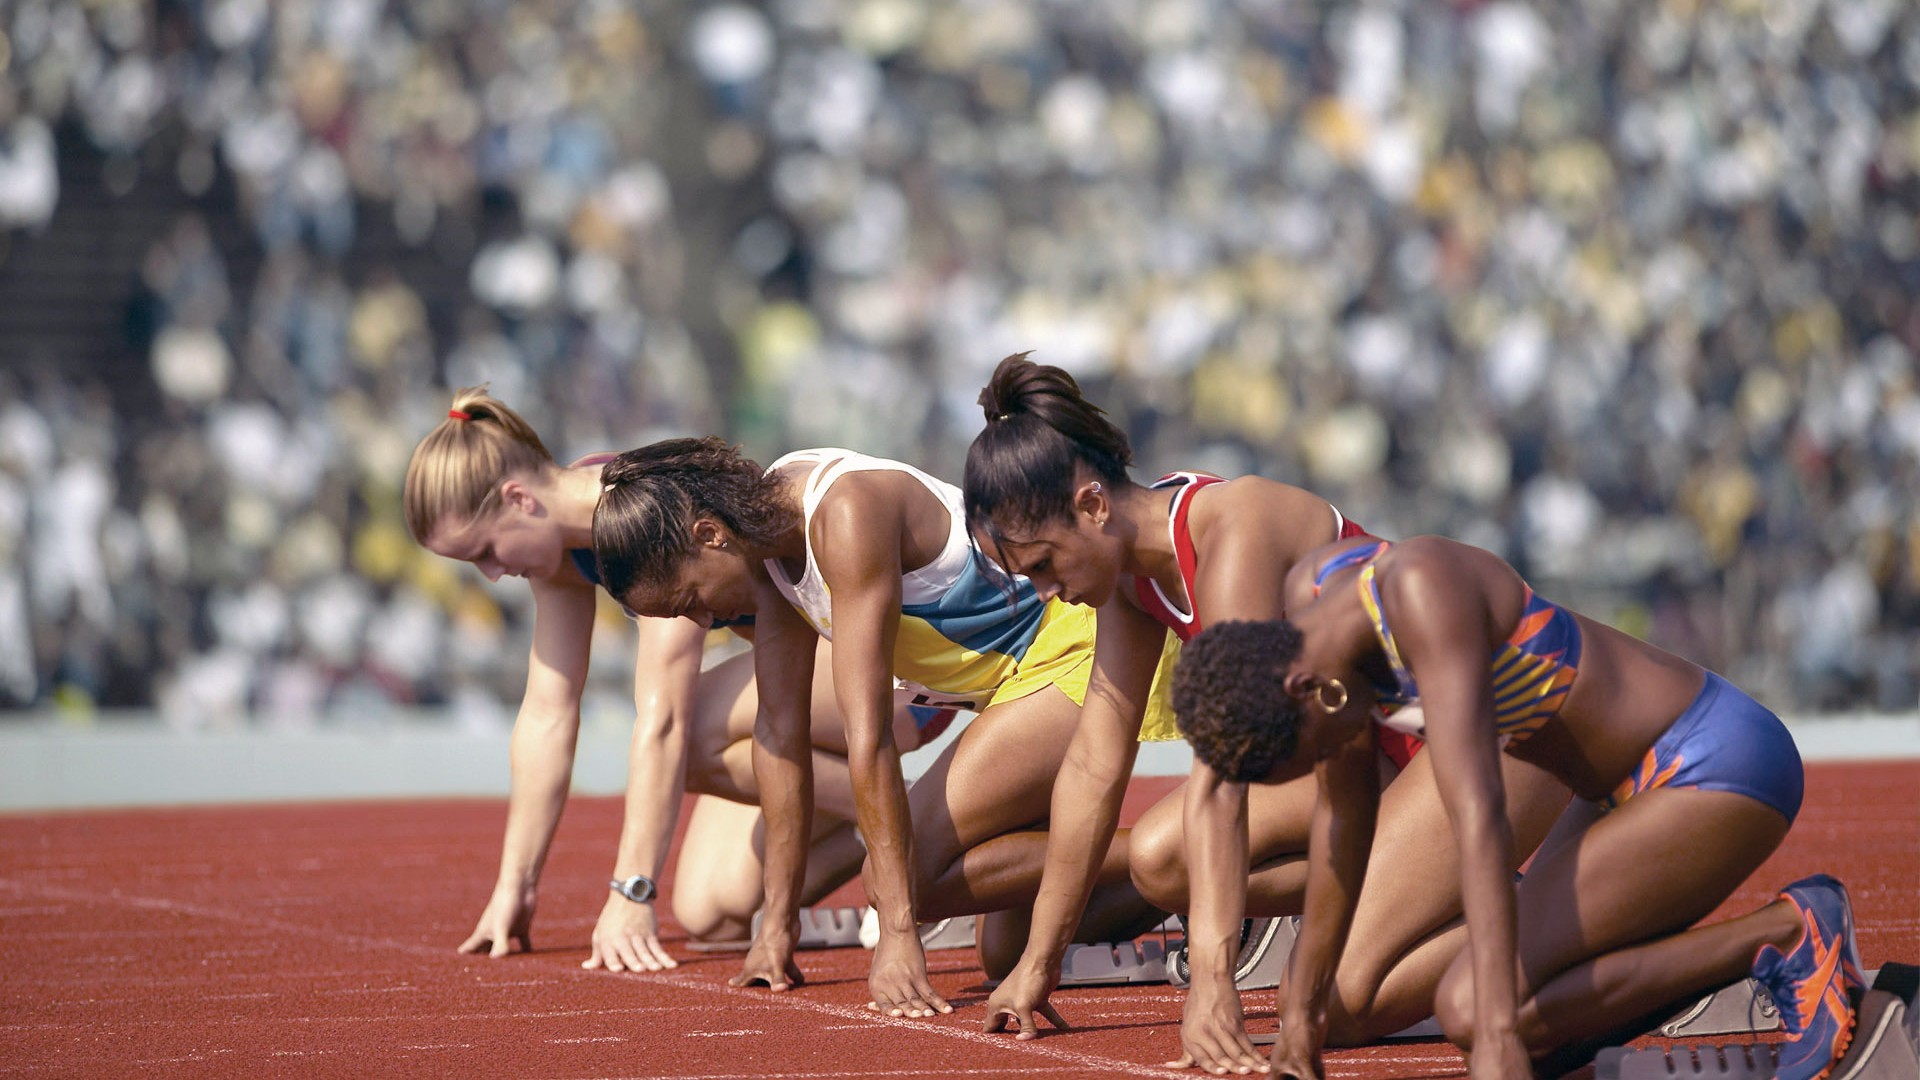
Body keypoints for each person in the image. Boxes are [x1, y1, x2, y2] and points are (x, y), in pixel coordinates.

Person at [960, 354, 1569, 1069]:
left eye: (1042, 565)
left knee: (1332, 1004)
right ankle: (1432, 894)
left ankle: (1588, 922)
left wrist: (1211, 980)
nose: (1044, 591)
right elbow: (1094, 763)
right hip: (1380, 761)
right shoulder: (1127, 578)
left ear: (1093, 506)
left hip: (1499, 733)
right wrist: (1039, 961)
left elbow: (1227, 777)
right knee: (1160, 860)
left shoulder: (1233, 531)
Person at [1172, 535, 1860, 1080]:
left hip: (1709, 764)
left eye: (1301, 755)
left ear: (1303, 689)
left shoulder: (1419, 594)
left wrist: (1497, 1039)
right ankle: (1655, 977)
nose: (1325, 763)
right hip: (1610, 796)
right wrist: (1300, 1022)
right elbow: (1342, 824)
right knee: (1529, 1021)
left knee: (1477, 1011)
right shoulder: (1312, 606)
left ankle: (1788, 932)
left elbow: (1480, 821)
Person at [590, 439, 1179, 1018]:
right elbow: (779, 734)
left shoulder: (842, 514)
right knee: (1002, 951)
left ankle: (1204, 849)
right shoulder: (763, 539)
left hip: (1076, 643)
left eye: (688, 598)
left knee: (907, 880)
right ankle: (1192, 871)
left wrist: (900, 933)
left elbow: (869, 737)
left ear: (708, 535)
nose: (701, 619)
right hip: (1013, 688)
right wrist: (777, 921)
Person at [403, 387, 950, 971]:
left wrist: (631, 891)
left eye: (484, 551)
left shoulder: (639, 513)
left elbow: (664, 717)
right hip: (799, 686)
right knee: (711, 912)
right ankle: (913, 832)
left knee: (683, 738)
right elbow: (547, 710)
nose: (491, 575)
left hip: (885, 672)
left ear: (519, 499)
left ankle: (920, 835)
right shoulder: (559, 553)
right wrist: (516, 882)